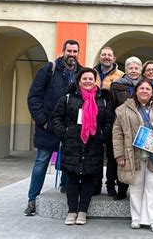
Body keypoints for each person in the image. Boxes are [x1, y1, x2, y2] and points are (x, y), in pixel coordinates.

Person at [24, 39, 82, 216]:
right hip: (48, 127)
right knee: (41, 162)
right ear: (62, 51)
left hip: (69, 127)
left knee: (69, 161)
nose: (72, 54)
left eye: (75, 51)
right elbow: (33, 97)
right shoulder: (48, 70)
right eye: (69, 51)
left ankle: (66, 193)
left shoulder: (81, 73)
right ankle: (32, 200)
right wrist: (43, 121)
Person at [113, 79, 153, 233]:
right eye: (141, 88)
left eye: (148, 89)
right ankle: (136, 218)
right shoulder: (123, 109)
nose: (145, 91)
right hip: (134, 154)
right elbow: (117, 133)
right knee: (136, 187)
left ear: (152, 92)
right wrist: (119, 155)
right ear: (136, 91)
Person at [53, 68, 113, 225]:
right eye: (84, 78)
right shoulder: (68, 98)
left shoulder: (102, 100)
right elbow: (57, 118)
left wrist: (101, 135)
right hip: (72, 143)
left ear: (95, 81)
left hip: (93, 143)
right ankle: (72, 211)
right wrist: (65, 133)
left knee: (88, 179)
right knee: (72, 178)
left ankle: (82, 212)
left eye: (91, 79)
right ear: (78, 81)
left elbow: (108, 121)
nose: (88, 81)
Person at [107, 56, 142, 200]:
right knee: (117, 158)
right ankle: (115, 187)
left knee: (134, 159)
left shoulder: (144, 85)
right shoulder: (116, 85)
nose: (133, 71)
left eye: (136, 68)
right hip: (120, 128)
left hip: (139, 129)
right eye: (130, 68)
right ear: (126, 70)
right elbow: (111, 107)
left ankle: (133, 188)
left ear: (140, 70)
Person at [93, 47, 124, 196]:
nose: (106, 57)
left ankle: (111, 185)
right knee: (96, 153)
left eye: (109, 55)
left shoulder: (121, 76)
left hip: (113, 120)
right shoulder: (91, 73)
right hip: (94, 119)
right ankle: (95, 184)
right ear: (100, 57)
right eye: (104, 55)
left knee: (112, 155)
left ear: (114, 58)